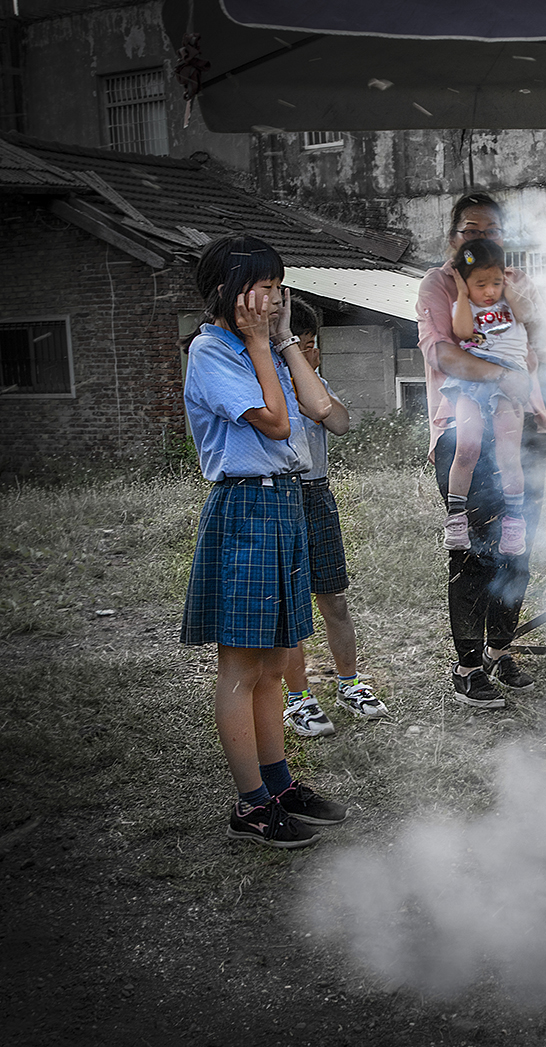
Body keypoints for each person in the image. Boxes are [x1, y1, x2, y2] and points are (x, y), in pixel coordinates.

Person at [180, 235, 347, 848]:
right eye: (265, 287)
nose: (275, 297)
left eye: (279, 286)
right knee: (242, 666)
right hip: (247, 504)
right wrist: (256, 343)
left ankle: (277, 785)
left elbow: (318, 408)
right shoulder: (212, 351)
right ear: (228, 290)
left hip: (285, 500)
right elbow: (277, 423)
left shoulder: (262, 347)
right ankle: (251, 804)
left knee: (276, 661)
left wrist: (278, 343)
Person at [417, 193, 546, 708]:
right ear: (453, 238)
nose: (480, 237)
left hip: (522, 429)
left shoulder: (516, 281)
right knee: (473, 556)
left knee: (517, 549)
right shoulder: (439, 284)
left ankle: (500, 648)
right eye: (469, 229)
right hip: (464, 431)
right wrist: (504, 376)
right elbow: (446, 354)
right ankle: (468, 666)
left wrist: (530, 317)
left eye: (491, 230)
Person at [279, 297, 390, 738]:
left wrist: (315, 396)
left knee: (334, 599)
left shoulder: (316, 384)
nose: (310, 353)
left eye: (312, 344)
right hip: (282, 497)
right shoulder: (269, 385)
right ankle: (298, 698)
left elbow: (340, 423)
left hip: (317, 495)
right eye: (298, 345)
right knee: (290, 610)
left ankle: (349, 684)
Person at [439, 238, 546, 553]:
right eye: (480, 284)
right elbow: (462, 332)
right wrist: (462, 292)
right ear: (464, 282)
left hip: (509, 383)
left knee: (507, 454)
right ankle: (456, 518)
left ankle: (514, 522)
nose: (489, 291)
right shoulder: (462, 305)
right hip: (472, 380)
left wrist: (509, 285)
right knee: (467, 448)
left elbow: (527, 313)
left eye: (495, 282)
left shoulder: (509, 304)